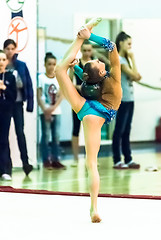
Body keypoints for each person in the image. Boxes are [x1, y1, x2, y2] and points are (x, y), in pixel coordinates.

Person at [55, 18, 122, 223]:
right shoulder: (113, 78)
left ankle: (78, 39)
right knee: (92, 164)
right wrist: (89, 36)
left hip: (86, 108)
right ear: (102, 72)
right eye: (99, 62)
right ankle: (93, 208)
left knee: (59, 70)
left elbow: (88, 78)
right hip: (98, 113)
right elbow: (112, 46)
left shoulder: (94, 80)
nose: (101, 60)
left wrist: (82, 44)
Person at [3, 39, 34, 176]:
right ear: (4, 49)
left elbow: (28, 85)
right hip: (4, 104)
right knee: (4, 135)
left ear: (15, 49)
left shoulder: (21, 65)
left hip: (17, 103)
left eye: (12, 48)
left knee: (20, 133)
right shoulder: (2, 64)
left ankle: (25, 163)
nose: (10, 51)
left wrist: (30, 104)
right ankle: (6, 167)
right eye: (7, 48)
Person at [112, 32, 141, 169]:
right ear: (121, 43)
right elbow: (134, 74)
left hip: (130, 98)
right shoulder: (119, 60)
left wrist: (132, 62)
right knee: (119, 129)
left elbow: (137, 76)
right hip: (122, 99)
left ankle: (128, 158)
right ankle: (117, 159)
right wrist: (133, 59)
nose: (130, 46)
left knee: (127, 130)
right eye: (128, 43)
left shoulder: (125, 59)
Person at [37, 52, 66, 169]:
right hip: (44, 111)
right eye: (49, 64)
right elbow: (39, 95)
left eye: (54, 64)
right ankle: (45, 160)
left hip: (56, 111)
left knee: (56, 136)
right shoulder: (41, 78)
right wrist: (45, 110)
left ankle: (55, 159)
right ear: (45, 65)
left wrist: (53, 108)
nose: (51, 66)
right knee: (46, 135)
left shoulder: (58, 78)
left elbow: (61, 94)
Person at [69, 40, 93, 166]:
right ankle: (75, 158)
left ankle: (91, 158)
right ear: (81, 51)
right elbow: (69, 81)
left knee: (91, 129)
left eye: (89, 50)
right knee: (76, 128)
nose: (87, 53)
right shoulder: (77, 64)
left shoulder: (95, 64)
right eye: (84, 50)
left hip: (91, 101)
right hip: (78, 100)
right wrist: (79, 88)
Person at [0, 50, 17, 180]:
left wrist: (4, 88)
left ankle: (6, 170)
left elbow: (14, 97)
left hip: (5, 112)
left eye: (3, 60)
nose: (1, 62)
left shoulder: (10, 77)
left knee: (4, 140)